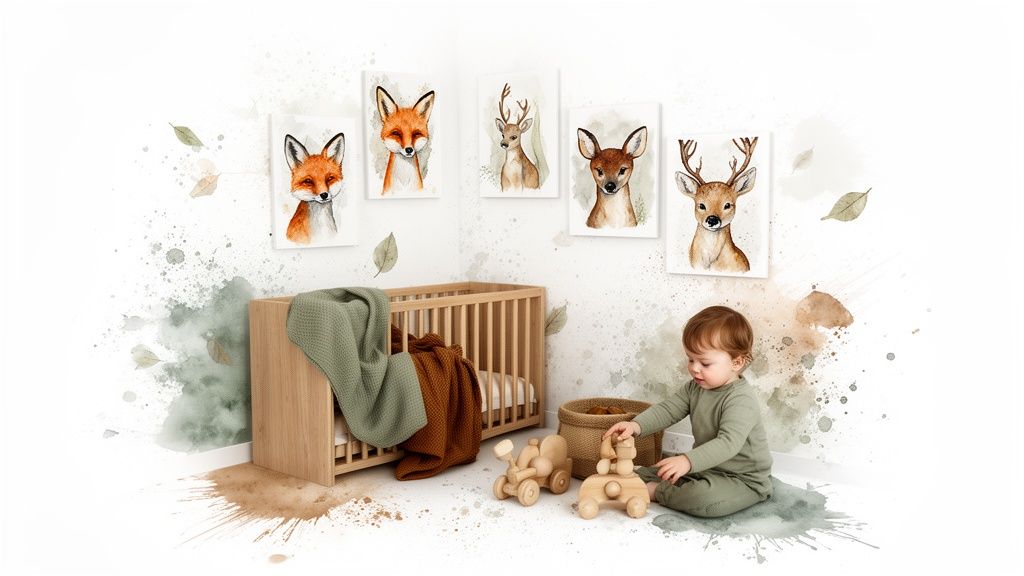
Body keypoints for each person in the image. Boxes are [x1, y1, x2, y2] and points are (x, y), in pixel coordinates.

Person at [603, 305, 773, 518]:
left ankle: (657, 491)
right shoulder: (695, 387)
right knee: (656, 470)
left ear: (736, 362)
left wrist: (687, 461)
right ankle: (639, 478)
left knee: (706, 501)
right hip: (705, 467)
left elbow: (727, 443)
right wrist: (635, 425)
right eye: (691, 359)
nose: (694, 368)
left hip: (742, 479)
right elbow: (668, 410)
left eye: (705, 363)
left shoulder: (741, 399)